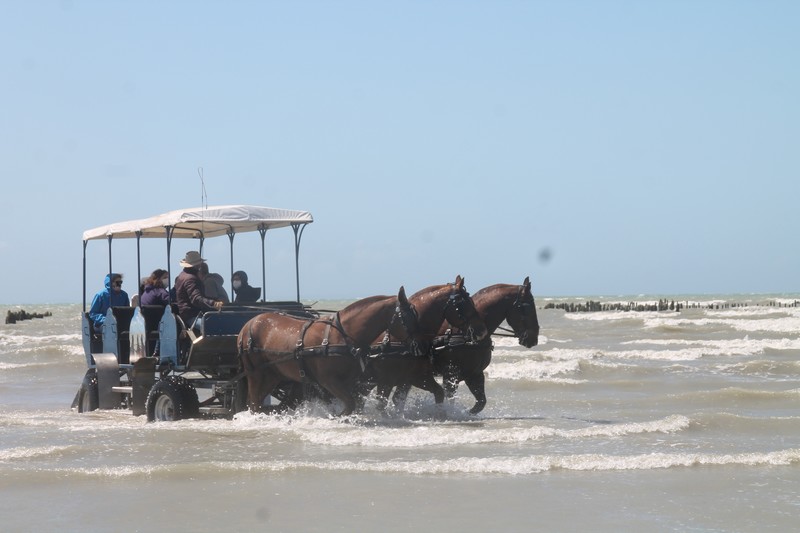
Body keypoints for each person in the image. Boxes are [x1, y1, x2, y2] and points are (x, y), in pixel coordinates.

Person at [174, 251, 224, 329]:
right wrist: (213, 303)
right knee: (213, 326)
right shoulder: (190, 278)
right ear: (196, 265)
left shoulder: (182, 275)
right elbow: (196, 299)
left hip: (189, 314)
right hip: (191, 316)